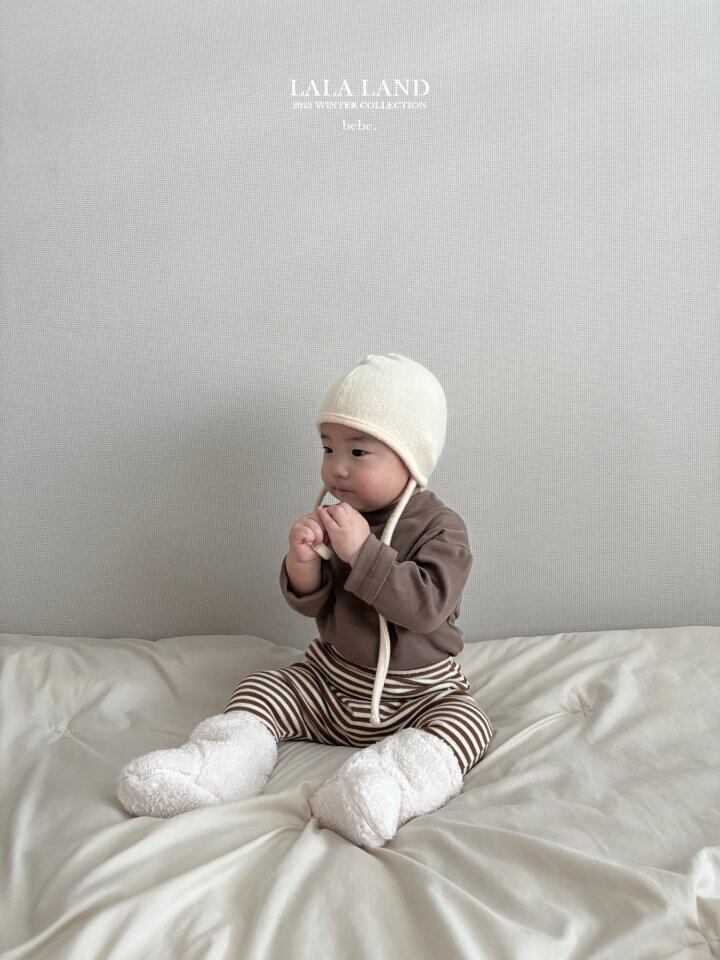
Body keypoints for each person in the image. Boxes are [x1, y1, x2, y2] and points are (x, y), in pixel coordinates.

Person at [117, 353, 495, 848]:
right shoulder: (339, 516)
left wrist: (362, 552)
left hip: (416, 695)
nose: (336, 468)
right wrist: (303, 563)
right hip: (331, 683)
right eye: (327, 448)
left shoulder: (441, 529)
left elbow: (425, 608)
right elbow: (313, 606)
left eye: (358, 452)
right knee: (263, 686)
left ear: (411, 457)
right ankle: (219, 768)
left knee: (468, 724)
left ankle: (382, 788)